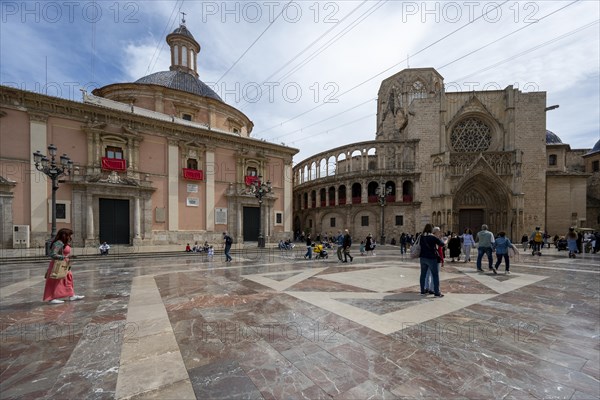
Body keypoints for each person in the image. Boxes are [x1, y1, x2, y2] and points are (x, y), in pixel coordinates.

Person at [43, 228, 84, 304]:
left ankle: (71, 295)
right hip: (58, 264)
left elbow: (64, 253)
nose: (70, 237)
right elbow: (52, 254)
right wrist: (64, 257)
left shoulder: (64, 243)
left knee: (68, 278)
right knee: (55, 280)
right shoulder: (58, 243)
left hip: (65, 264)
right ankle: (51, 298)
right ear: (64, 235)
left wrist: (69, 257)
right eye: (69, 235)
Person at [419, 224, 446, 298]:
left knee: (423, 275)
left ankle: (422, 291)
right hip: (431, 258)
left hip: (423, 258)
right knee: (435, 275)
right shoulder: (433, 237)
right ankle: (437, 292)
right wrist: (446, 240)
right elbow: (442, 244)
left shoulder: (421, 237)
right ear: (431, 230)